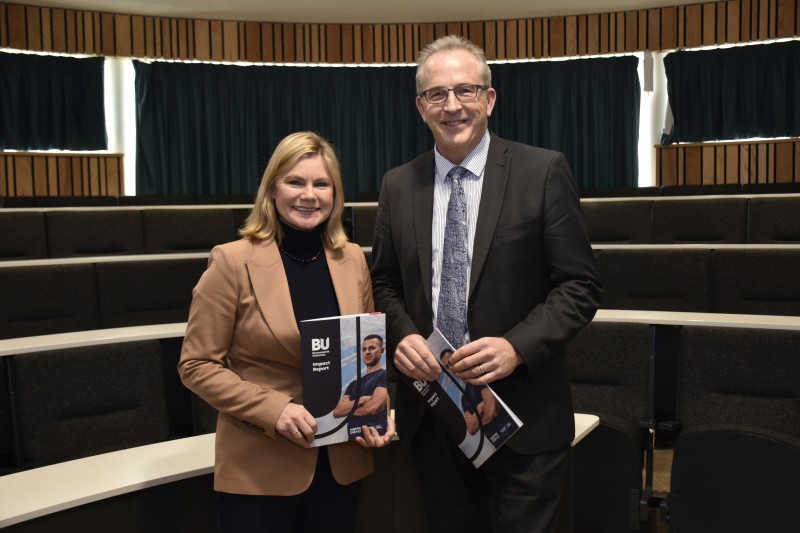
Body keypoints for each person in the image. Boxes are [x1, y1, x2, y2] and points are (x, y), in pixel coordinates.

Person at [371, 35, 602, 533]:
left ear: (490, 99)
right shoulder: (396, 184)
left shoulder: (542, 171)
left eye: (466, 90)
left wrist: (516, 348)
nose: (452, 105)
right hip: (432, 416)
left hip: (523, 419)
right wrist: (403, 335)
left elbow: (579, 286)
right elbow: (383, 282)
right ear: (420, 106)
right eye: (437, 94)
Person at [179, 131, 395, 533]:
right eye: (295, 182)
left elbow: (367, 350)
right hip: (260, 465)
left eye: (321, 183)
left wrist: (378, 412)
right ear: (272, 188)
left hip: (341, 461)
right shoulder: (232, 261)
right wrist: (273, 410)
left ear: (335, 193)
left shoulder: (351, 259)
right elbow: (196, 365)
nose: (308, 195)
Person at [333, 334, 389, 439]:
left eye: (372, 348)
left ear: (382, 351)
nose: (367, 352)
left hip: (377, 437)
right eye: (364, 349)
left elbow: (373, 407)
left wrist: (348, 409)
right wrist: (362, 400)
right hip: (352, 441)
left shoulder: (384, 376)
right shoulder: (353, 384)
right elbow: (337, 412)